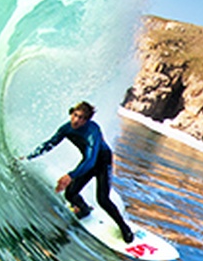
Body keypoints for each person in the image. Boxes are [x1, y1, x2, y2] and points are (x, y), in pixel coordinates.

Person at [25, 101, 134, 243]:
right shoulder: (66, 129)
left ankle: (125, 228)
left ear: (87, 120)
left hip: (101, 162)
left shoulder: (93, 131)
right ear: (71, 113)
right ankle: (84, 208)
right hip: (88, 163)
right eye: (75, 115)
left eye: (82, 118)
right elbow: (49, 144)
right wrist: (29, 157)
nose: (77, 120)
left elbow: (91, 159)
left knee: (103, 199)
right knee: (70, 193)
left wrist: (70, 176)